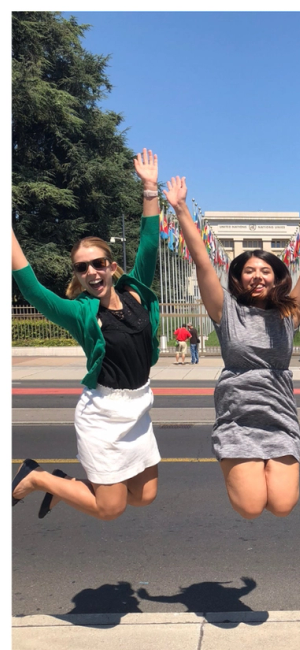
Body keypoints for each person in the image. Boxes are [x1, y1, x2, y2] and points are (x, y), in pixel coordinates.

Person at [165, 175, 300, 519]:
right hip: (237, 415)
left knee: (282, 505)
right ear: (238, 277)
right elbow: (202, 262)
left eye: (265, 270)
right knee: (249, 507)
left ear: (276, 277)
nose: (257, 275)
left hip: (279, 413)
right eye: (249, 271)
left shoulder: (288, 312)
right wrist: (181, 208)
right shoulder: (225, 310)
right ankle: (237, 461)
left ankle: (260, 467)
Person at [11, 149, 163, 521]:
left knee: (144, 497)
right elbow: (32, 290)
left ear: (112, 266)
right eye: (82, 268)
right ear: (77, 275)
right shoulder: (80, 313)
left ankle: (65, 483)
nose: (92, 272)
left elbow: (149, 244)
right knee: (110, 509)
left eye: (98, 263)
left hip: (140, 406)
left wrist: (149, 187)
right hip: (104, 414)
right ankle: (38, 478)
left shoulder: (137, 291)